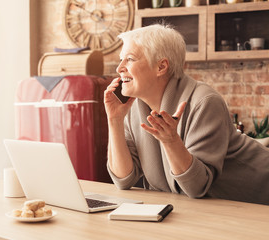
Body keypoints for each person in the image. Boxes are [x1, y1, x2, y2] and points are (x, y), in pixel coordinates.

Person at [104, 23, 269, 205]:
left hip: (259, 201)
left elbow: (197, 186)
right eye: (121, 59)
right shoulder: (132, 106)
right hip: (211, 210)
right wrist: (115, 119)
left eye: (130, 59)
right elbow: (123, 179)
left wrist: (171, 142)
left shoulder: (204, 101)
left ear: (161, 67)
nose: (119, 68)